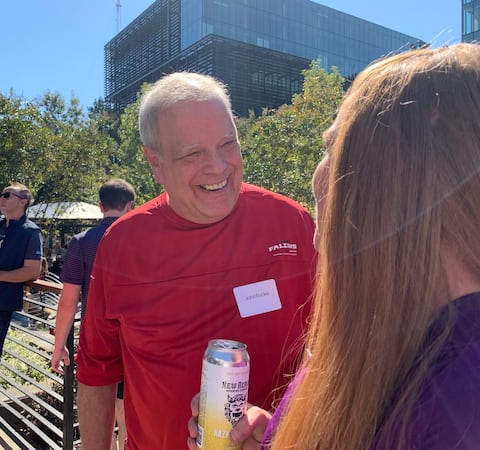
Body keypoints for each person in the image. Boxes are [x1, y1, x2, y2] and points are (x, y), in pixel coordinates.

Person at [196, 43, 480, 450]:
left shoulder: (462, 404)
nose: (320, 172)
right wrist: (275, 437)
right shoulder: (385, 336)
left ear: (395, 177)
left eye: (332, 148)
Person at [75, 72, 317, 449]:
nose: (218, 167)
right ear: (154, 163)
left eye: (227, 145)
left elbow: (338, 350)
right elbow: (96, 371)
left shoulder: (292, 223)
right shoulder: (122, 243)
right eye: (193, 154)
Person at [50, 178, 135, 450]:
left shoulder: (82, 241)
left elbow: (68, 300)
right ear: (130, 206)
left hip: (96, 340)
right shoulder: (141, 238)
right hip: (134, 340)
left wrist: (59, 345)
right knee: (126, 415)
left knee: (99, 418)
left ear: (100, 206)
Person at [0, 182, 43, 447]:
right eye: (1, 195)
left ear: (23, 201)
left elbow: (32, 271)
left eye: (6, 195)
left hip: (0, 303)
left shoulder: (30, 232)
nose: (1, 199)